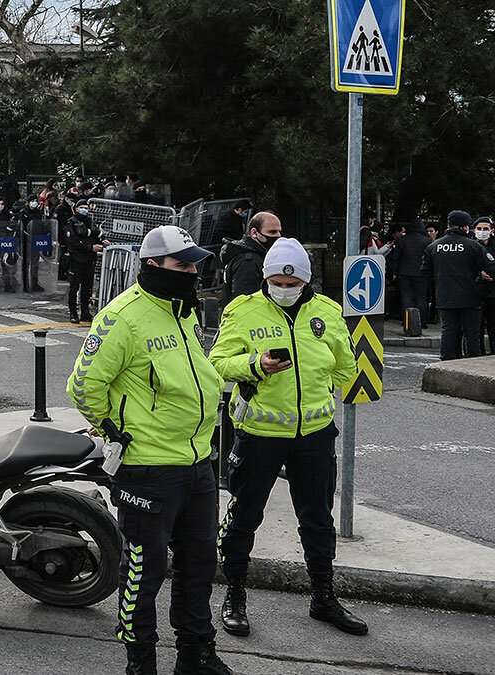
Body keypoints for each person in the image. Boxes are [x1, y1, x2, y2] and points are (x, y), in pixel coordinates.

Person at [67, 225, 233, 675]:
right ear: (152, 265)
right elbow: (83, 385)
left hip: (198, 462)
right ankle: (139, 661)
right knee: (144, 570)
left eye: (195, 263)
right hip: (147, 469)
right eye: (183, 264)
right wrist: (113, 432)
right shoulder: (123, 317)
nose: (193, 272)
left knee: (200, 563)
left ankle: (196, 653)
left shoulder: (184, 311)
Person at [209, 237, 366, 640]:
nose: (284, 286)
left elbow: (345, 366)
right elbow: (217, 364)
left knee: (317, 520)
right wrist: (255, 365)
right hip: (259, 436)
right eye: (277, 280)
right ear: (265, 278)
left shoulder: (328, 312)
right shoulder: (242, 311)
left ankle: (323, 597)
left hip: (314, 437)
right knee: (244, 518)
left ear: (306, 280)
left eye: (291, 281)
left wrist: (317, 395)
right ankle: (235, 597)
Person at [421, 211, 495, 360]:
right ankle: (472, 363)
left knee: (448, 330)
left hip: (445, 295)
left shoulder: (435, 246)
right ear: (465, 227)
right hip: (470, 296)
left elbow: (425, 271)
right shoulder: (473, 246)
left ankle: (447, 362)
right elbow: (491, 267)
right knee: (471, 333)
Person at [221, 212, 281, 302]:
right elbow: (245, 299)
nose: (278, 236)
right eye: (272, 232)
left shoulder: (250, 255)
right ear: (254, 233)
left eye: (279, 231)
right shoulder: (248, 261)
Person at [65, 199, 105, 323]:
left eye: (87, 208)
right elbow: (73, 242)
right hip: (76, 259)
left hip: (89, 260)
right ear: (76, 208)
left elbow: (96, 235)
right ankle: (73, 313)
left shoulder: (91, 222)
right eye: (82, 207)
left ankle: (85, 312)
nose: (85, 210)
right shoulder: (71, 223)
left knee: (87, 287)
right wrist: (90, 247)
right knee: (74, 287)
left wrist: (102, 241)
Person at [389, 219, 431, 325]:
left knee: (406, 296)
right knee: (421, 297)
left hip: (404, 272)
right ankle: (422, 321)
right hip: (421, 272)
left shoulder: (402, 240)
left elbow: (396, 257)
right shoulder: (426, 241)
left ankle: (407, 321)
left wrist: (394, 272)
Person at [473, 217, 495, 354]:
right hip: (476, 291)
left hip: (492, 292)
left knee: (493, 325)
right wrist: (479, 272)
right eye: (479, 229)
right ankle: (478, 353)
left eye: (485, 229)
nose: (482, 232)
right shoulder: (470, 245)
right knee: (476, 327)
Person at [18, 196, 48, 292]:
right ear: (28, 202)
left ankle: (34, 282)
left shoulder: (38, 213)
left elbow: (41, 225)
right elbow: (21, 226)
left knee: (35, 263)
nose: (34, 203)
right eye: (32, 201)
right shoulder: (23, 213)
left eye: (36, 201)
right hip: (26, 240)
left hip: (36, 240)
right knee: (26, 263)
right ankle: (25, 283)